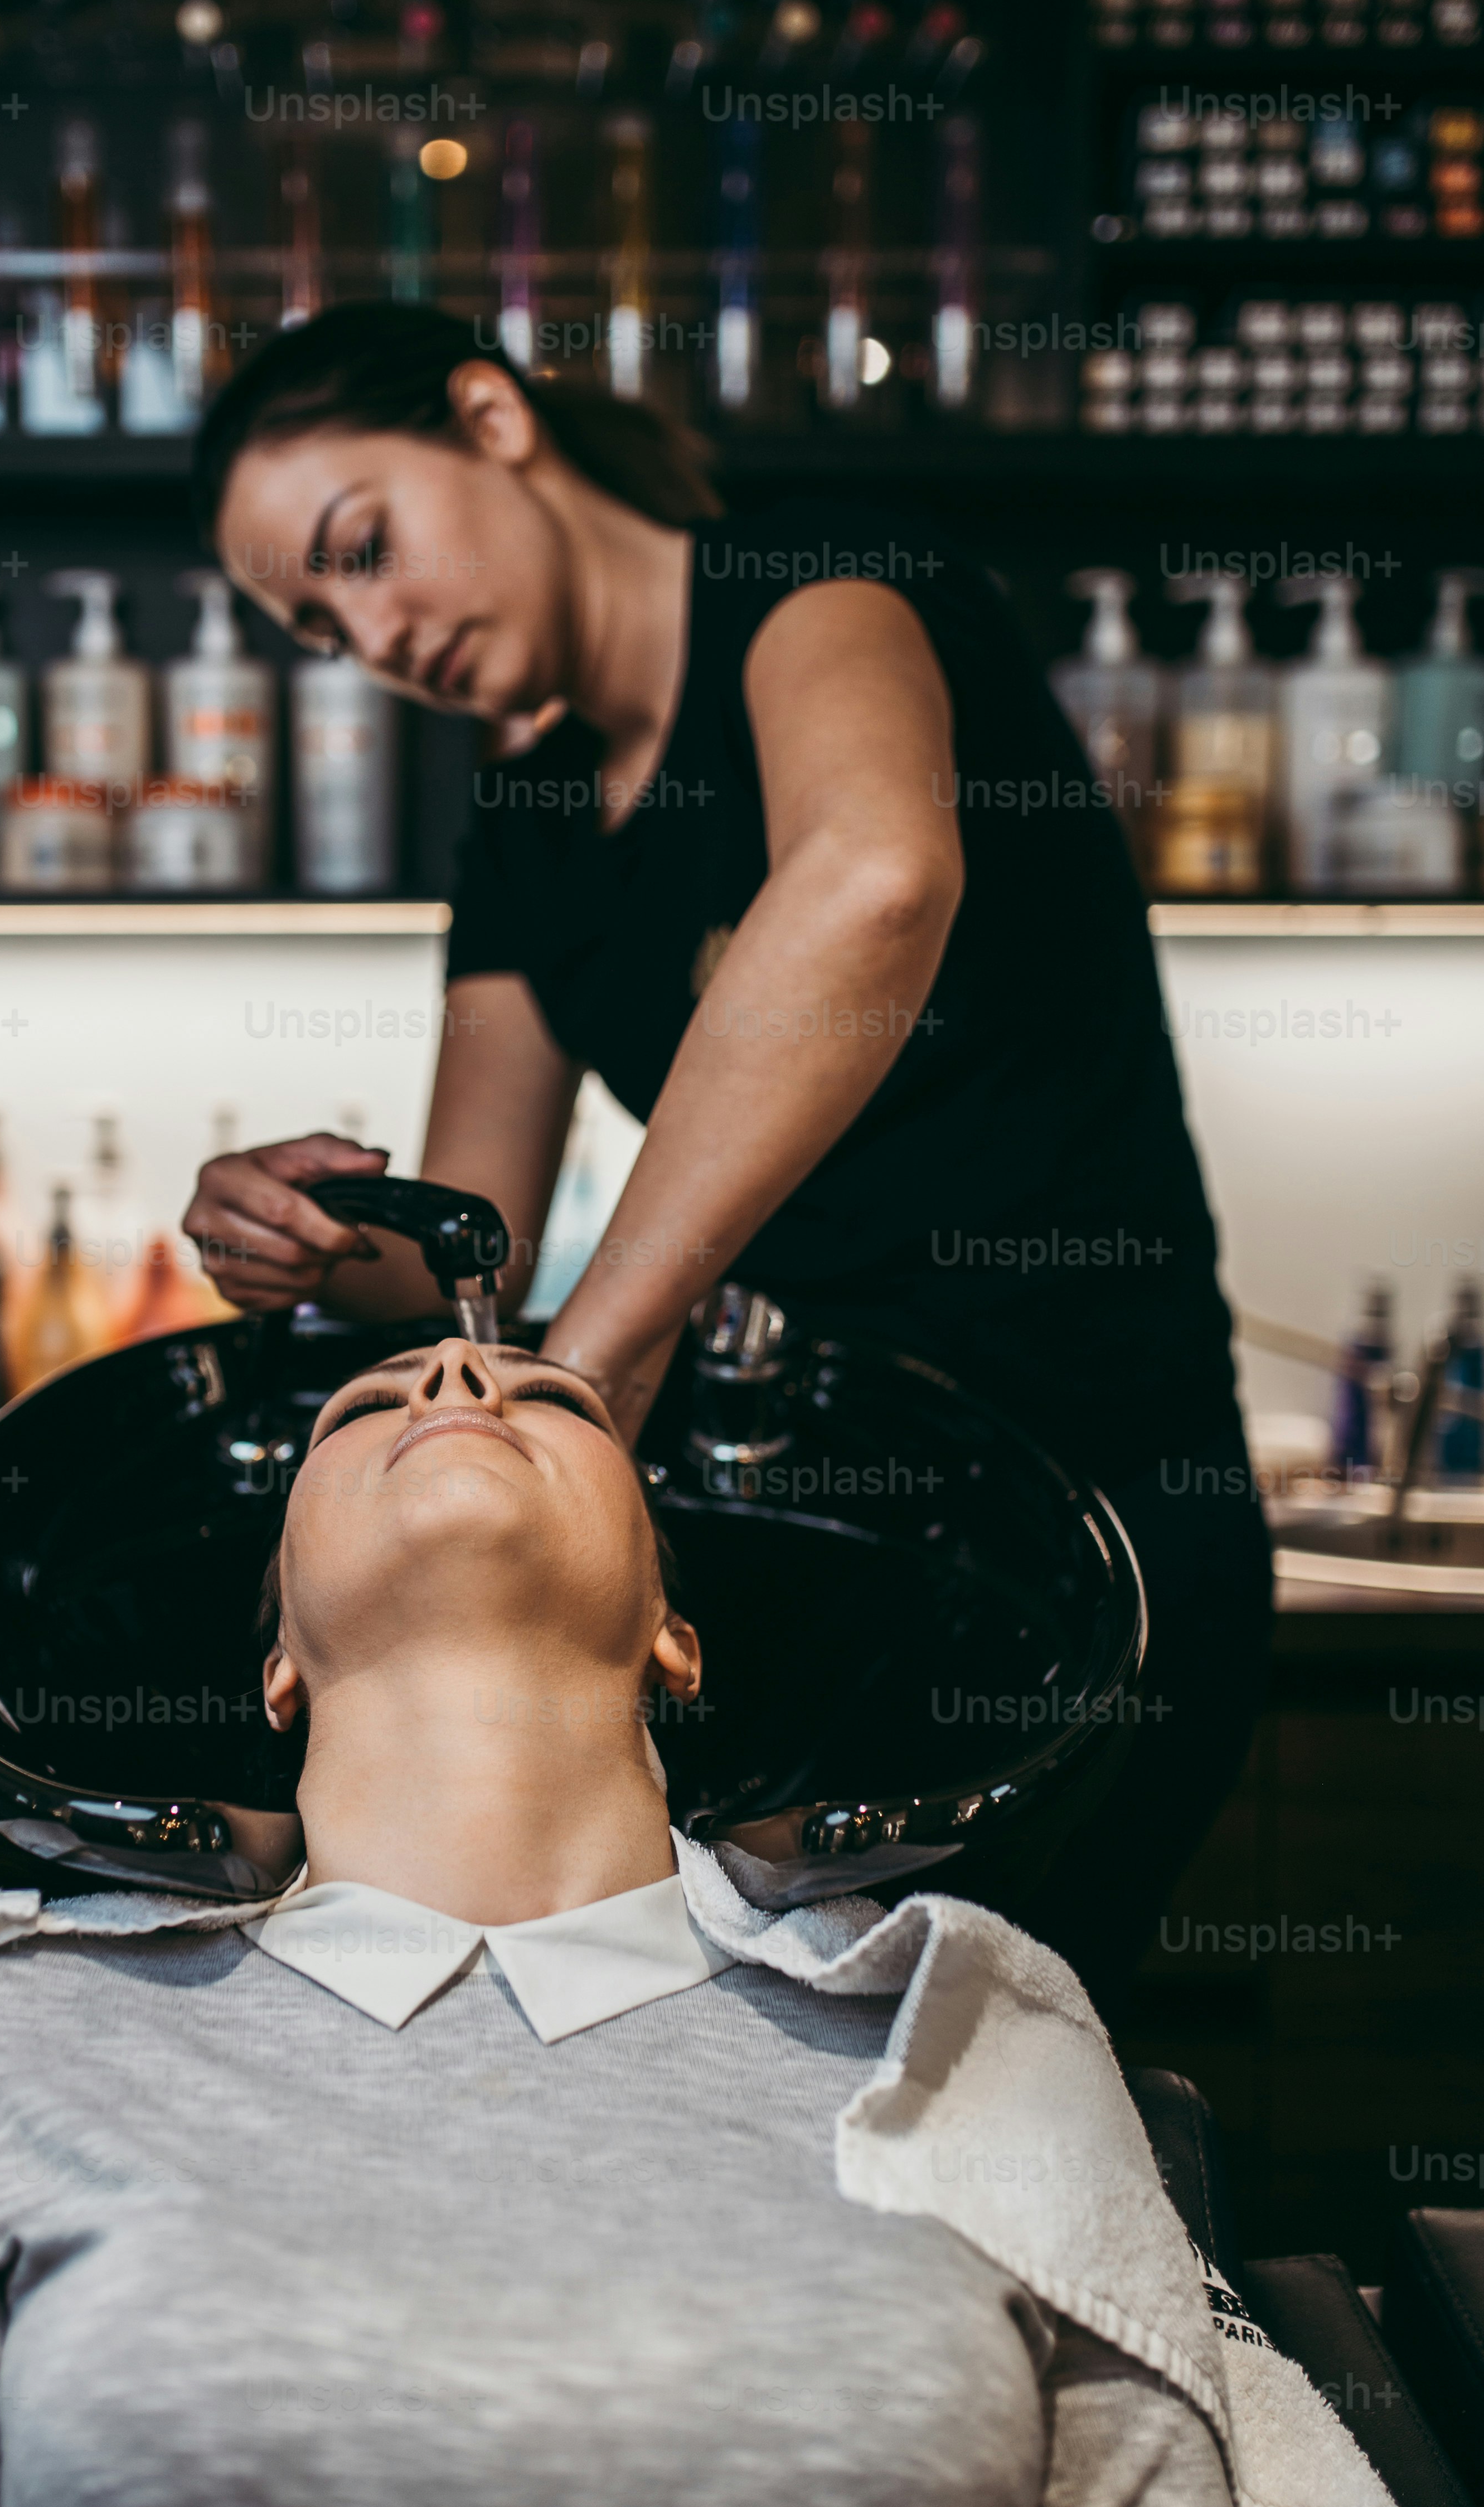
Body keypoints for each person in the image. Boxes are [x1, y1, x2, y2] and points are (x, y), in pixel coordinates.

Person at [0, 1332, 1371, 2507]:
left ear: (676, 1637)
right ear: (276, 1658)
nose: (458, 1385)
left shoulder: (963, 2051)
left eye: (550, 1393)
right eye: (370, 1402)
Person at [182, 302, 1272, 2017]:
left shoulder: (818, 584)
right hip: (825, 1545)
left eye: (367, 550)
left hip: (1092, 1523)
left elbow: (872, 881)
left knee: (1013, 2085)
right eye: (323, 627)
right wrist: (313, 1233)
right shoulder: (527, 816)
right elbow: (470, 1238)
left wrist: (595, 1360)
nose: (378, 635)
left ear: (490, 416)